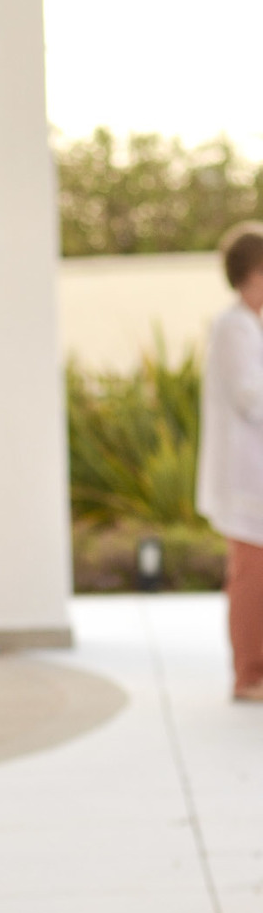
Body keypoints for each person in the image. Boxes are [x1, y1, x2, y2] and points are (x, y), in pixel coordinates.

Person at [197, 220, 263, 701]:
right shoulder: (232, 327)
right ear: (254, 274)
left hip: (253, 473)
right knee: (250, 575)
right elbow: (251, 398)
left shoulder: (250, 324)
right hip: (244, 479)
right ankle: (249, 676)